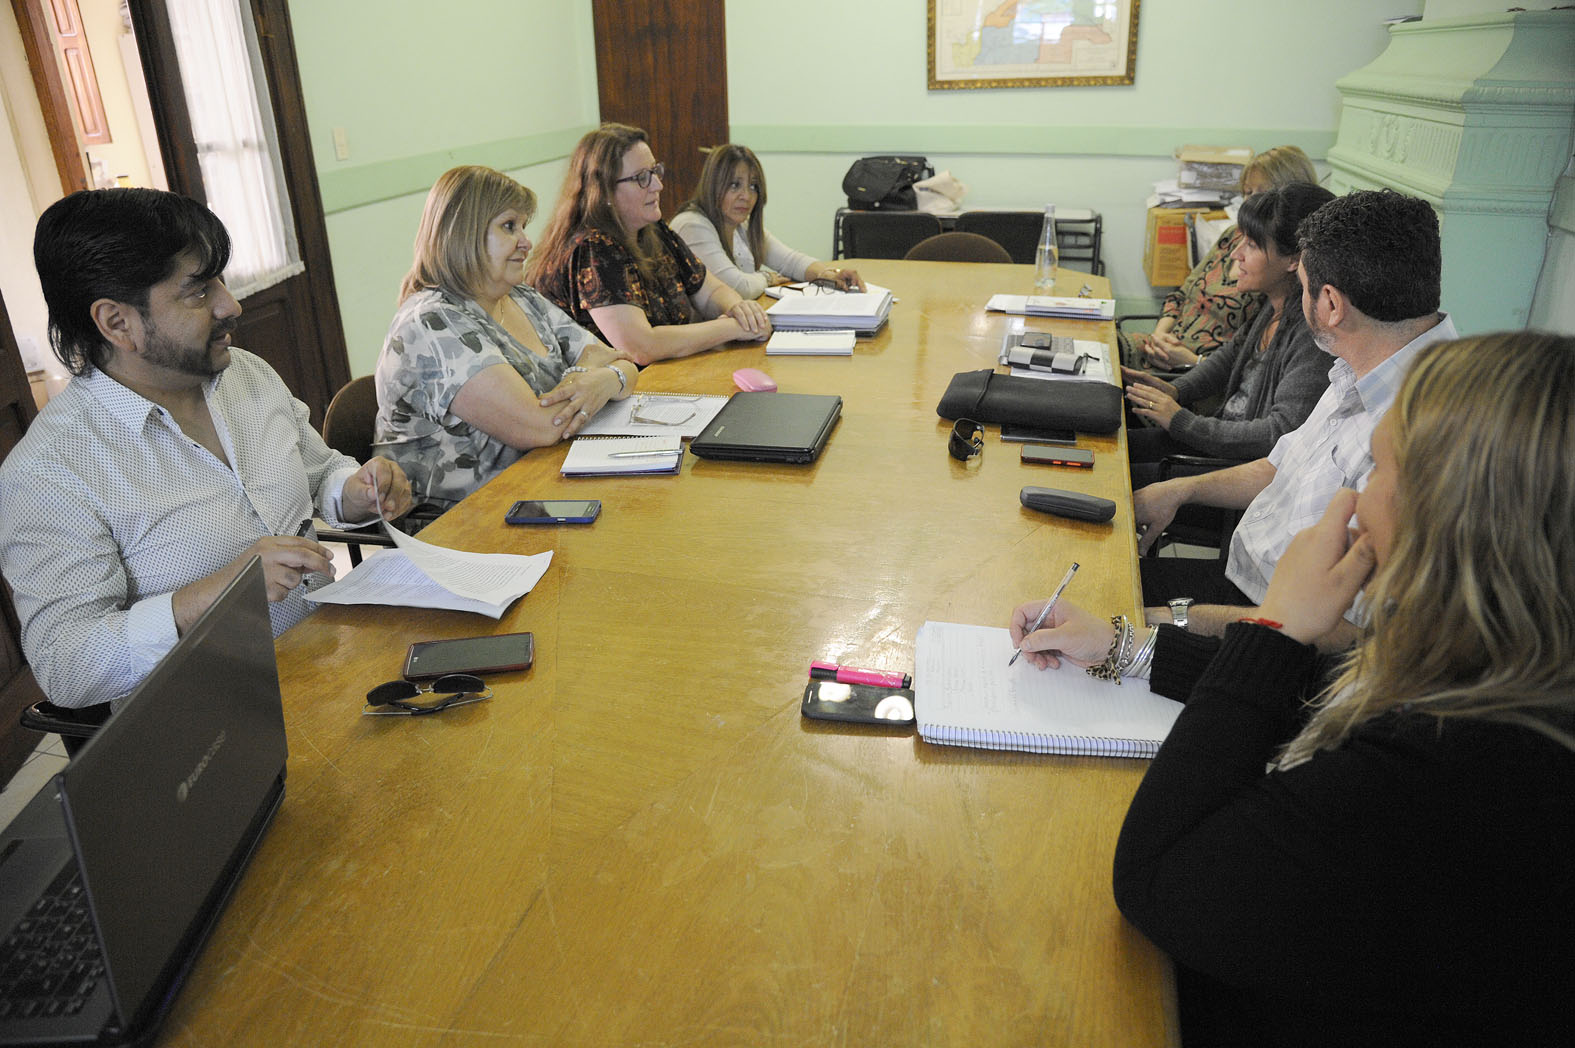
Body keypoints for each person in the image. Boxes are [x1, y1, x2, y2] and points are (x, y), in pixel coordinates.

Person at [1021, 332, 1575, 1046]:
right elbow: (1322, 689)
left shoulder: (1454, 770)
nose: (1350, 497)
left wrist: (1276, 627)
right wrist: (1123, 650)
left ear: (1450, 519)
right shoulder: (1507, 678)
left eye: (1378, 467)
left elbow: (1156, 881)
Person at [0, 188, 413, 709]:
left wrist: (351, 491)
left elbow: (319, 471)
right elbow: (67, 663)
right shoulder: (49, 473)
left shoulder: (245, 376)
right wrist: (214, 596)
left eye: (219, 280)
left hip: (326, 663)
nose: (231, 304)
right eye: (197, 292)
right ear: (116, 322)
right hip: (216, 727)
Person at [1135, 189, 1457, 638]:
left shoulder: (1429, 427)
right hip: (1244, 586)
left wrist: (1170, 623)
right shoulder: (1360, 364)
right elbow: (1278, 466)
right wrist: (1180, 489)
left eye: (1303, 286)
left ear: (1330, 304)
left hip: (1273, 634)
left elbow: (1343, 635)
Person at [373, 166, 639, 509]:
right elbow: (542, 427)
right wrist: (591, 374)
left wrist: (607, 377)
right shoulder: (431, 323)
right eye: (509, 226)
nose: (526, 242)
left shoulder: (519, 297)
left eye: (523, 226)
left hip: (543, 491)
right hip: (463, 527)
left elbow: (623, 363)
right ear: (464, 233)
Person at [1123, 182, 1335, 486]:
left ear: (1293, 261)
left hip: (1237, 472)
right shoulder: (1274, 305)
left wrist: (1182, 421)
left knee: (1120, 477)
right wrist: (1177, 391)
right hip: (1219, 446)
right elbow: (1230, 356)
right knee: (1114, 451)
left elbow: (1278, 432)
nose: (1237, 254)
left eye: (1251, 245)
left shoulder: (1311, 336)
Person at [527, 123, 771, 366]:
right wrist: (733, 327)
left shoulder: (654, 229)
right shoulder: (592, 248)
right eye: (642, 178)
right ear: (604, 191)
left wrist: (739, 308)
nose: (658, 185)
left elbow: (710, 291)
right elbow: (641, 347)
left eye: (655, 172)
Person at [1129, 146, 1320, 371]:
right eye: (1247, 192)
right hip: (1164, 348)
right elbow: (1182, 293)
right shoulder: (1232, 236)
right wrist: (1159, 336)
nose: (1251, 201)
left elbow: (1241, 366)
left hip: (1192, 368)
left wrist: (1190, 361)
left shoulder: (1278, 276)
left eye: (1261, 194)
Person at [670, 143, 864, 299]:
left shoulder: (741, 227)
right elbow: (738, 287)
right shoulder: (692, 225)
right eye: (734, 185)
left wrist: (828, 274)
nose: (746, 196)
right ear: (712, 185)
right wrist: (767, 277)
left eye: (753, 186)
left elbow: (791, 260)